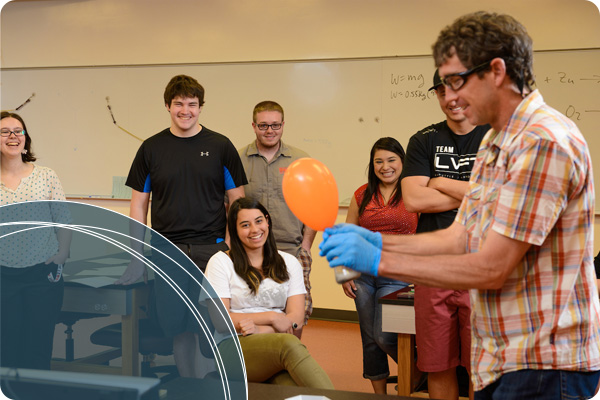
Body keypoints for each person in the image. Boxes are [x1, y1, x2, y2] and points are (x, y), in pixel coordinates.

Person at [319, 11, 600, 400]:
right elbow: (459, 236)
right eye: (443, 85)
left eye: (456, 82)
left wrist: (380, 261)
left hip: (543, 362)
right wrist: (375, 242)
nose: (449, 97)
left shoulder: (542, 141)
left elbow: (491, 266)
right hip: (502, 355)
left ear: (497, 71)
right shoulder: (495, 143)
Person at [115, 75, 247, 378]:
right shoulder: (151, 148)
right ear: (167, 106)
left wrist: (230, 250)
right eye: (178, 104)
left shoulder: (220, 146)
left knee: (216, 324)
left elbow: (237, 202)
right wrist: (137, 255)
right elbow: (138, 204)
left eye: (192, 104)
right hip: (168, 251)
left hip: (212, 252)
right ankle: (190, 386)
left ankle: (221, 386)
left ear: (200, 107)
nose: (185, 110)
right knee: (177, 325)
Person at [399, 69, 489, 400]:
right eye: (441, 91)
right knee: (437, 364)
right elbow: (413, 199)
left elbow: (502, 196)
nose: (450, 98)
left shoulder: (497, 136)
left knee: (482, 365)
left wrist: (439, 181)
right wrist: (474, 191)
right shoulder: (423, 140)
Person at [205, 197, 333, 388]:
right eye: (245, 225)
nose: (255, 230)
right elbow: (222, 321)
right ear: (234, 229)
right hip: (232, 348)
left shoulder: (289, 262)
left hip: (275, 342)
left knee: (290, 386)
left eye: (259, 221)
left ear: (267, 221)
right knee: (288, 345)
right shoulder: (220, 263)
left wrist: (259, 329)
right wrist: (273, 317)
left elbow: (296, 318)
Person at [340, 137, 418, 394]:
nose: (385, 166)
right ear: (372, 165)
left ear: (402, 161)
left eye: (391, 160)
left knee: (385, 336)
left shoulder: (414, 191)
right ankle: (380, 395)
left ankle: (417, 372)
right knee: (369, 338)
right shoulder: (362, 194)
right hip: (362, 275)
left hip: (396, 275)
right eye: (379, 161)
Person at [238, 101, 316, 338]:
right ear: (253, 126)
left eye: (275, 125)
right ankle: (260, 366)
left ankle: (293, 358)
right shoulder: (238, 160)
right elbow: (228, 206)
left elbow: (313, 207)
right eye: (263, 125)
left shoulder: (300, 161)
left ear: (283, 125)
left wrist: (305, 246)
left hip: (291, 249)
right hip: (250, 252)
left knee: (296, 312)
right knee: (254, 309)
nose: (269, 131)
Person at [0, 111, 72, 370]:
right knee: (6, 349)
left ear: (25, 137)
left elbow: (63, 220)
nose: (12, 136)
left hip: (43, 275)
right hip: (3, 277)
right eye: (5, 131)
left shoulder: (45, 176)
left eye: (18, 131)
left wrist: (62, 253)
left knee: (38, 349)